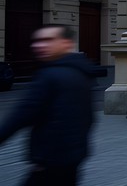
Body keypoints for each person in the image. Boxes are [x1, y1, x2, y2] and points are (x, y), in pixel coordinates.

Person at [0, 25, 101, 185]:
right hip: (73, 157)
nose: (38, 45)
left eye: (47, 40)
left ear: (66, 43)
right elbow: (89, 118)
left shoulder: (50, 75)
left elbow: (20, 116)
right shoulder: (82, 72)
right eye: (37, 41)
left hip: (50, 159)